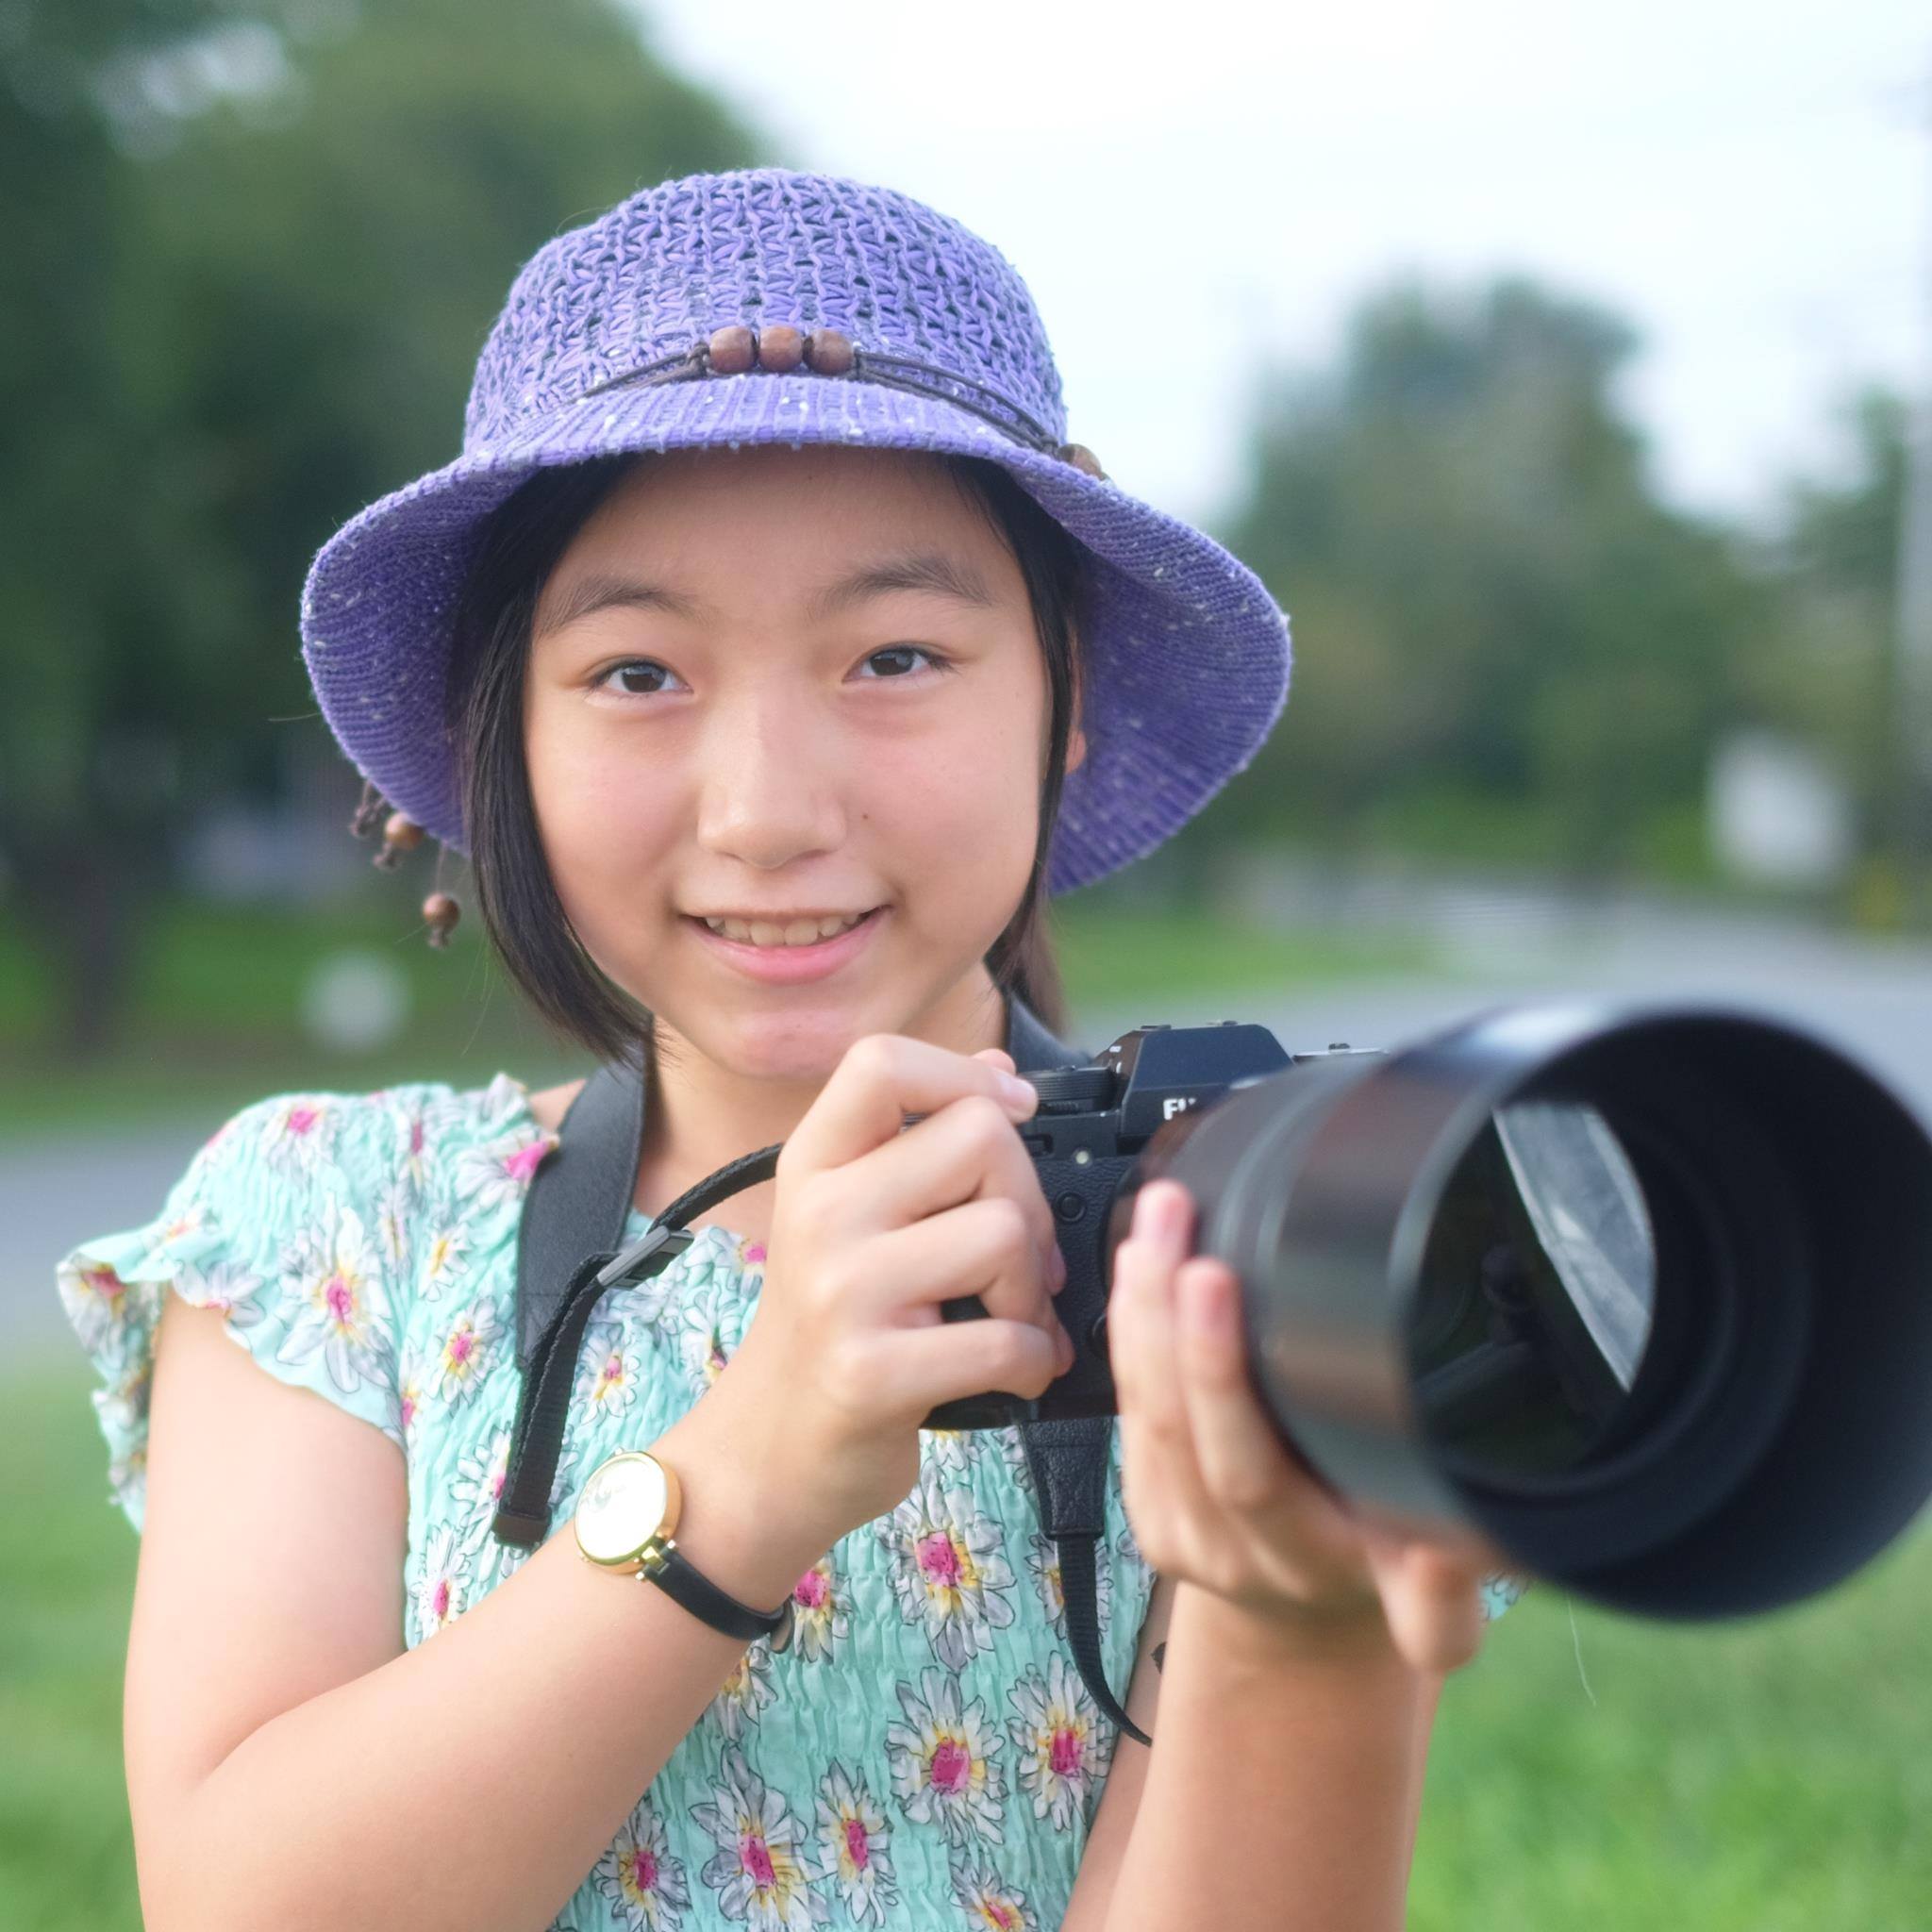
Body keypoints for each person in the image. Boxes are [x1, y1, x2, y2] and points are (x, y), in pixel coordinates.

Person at [57, 165, 1525, 1932]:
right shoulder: (338, 1231)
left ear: (1061, 701)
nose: (765, 813)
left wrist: (1301, 1624)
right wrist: (751, 1464)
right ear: (505, 735)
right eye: (636, 674)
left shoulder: (1236, 1257)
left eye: (894, 654)